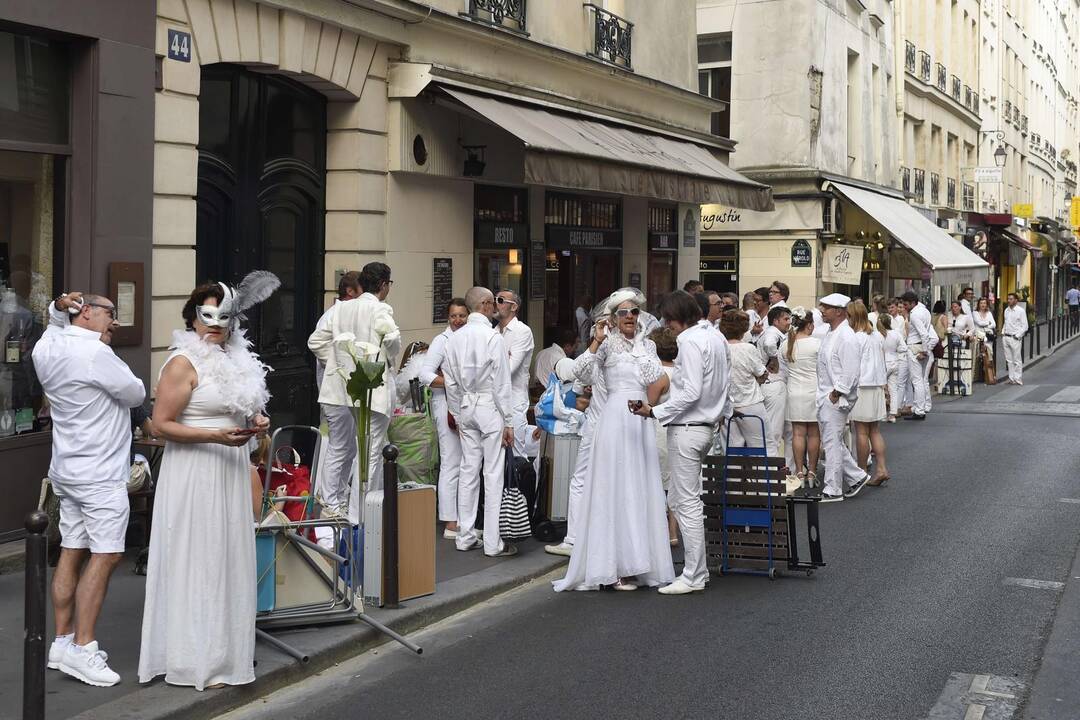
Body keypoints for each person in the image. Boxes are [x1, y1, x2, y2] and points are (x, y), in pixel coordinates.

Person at [140, 278, 274, 690]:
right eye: (208, 315)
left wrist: (255, 421)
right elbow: (160, 426)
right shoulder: (182, 363)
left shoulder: (238, 360)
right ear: (193, 316)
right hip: (195, 472)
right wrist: (214, 436)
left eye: (225, 317)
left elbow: (240, 407)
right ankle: (193, 659)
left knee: (227, 557)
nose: (215, 325)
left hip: (230, 468)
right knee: (199, 559)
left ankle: (224, 653)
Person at [32, 291, 145, 687]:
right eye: (109, 313)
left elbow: (52, 326)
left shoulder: (47, 350)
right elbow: (136, 394)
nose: (114, 321)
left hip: (67, 469)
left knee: (71, 549)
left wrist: (55, 310)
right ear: (86, 314)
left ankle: (61, 642)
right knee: (107, 554)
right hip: (100, 474)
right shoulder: (97, 355)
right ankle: (83, 646)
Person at [554, 291, 673, 592]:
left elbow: (656, 377)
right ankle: (615, 565)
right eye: (624, 313)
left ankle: (639, 562)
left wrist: (640, 349)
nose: (630, 316)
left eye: (634, 311)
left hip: (639, 419)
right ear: (614, 318)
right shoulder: (605, 345)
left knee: (639, 488)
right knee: (614, 489)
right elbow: (579, 373)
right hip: (613, 421)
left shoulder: (646, 345)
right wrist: (596, 340)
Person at [633, 290, 729, 595]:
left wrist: (654, 410)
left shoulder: (689, 340)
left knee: (686, 502)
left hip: (688, 427)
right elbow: (723, 384)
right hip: (704, 427)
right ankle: (695, 570)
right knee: (681, 500)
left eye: (668, 319)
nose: (667, 326)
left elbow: (690, 392)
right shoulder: (716, 337)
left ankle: (693, 574)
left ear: (675, 317)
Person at [308, 262, 400, 508]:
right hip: (373, 387)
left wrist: (341, 365)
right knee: (369, 452)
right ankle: (360, 514)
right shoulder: (381, 310)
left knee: (345, 446)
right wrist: (353, 364)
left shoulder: (341, 309)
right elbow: (392, 343)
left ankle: (332, 505)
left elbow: (315, 341)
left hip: (344, 388)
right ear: (383, 285)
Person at [443, 287, 517, 557]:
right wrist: (508, 420)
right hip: (488, 406)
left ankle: (464, 535)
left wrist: (458, 412)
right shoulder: (492, 337)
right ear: (485, 305)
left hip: (466, 405)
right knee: (493, 474)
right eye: (492, 302)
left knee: (468, 471)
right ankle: (492, 542)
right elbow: (501, 383)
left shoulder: (454, 339)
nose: (495, 306)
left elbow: (450, 381)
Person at [420, 298, 468, 538]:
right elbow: (425, 374)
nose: (458, 320)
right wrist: (452, 383)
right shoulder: (442, 340)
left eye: (461, 315)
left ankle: (463, 517)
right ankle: (450, 520)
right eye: (453, 316)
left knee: (465, 463)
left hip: (466, 406)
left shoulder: (469, 338)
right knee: (451, 461)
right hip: (445, 405)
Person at [816, 294, 870, 502]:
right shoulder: (833, 332)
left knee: (831, 443)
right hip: (827, 395)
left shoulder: (847, 336)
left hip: (836, 397)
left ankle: (833, 488)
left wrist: (836, 392)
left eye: (826, 307)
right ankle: (857, 477)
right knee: (834, 441)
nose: (822, 310)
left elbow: (850, 371)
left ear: (838, 311)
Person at [848, 301, 889, 487]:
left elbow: (853, 367)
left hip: (862, 386)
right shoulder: (876, 336)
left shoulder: (856, 338)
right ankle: (881, 468)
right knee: (875, 430)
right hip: (877, 385)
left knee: (861, 432)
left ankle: (862, 471)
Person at [646, 327, 680, 547]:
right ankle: (673, 532)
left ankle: (657, 531)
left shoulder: (657, 374)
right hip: (676, 429)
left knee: (655, 483)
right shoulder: (681, 371)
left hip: (657, 430)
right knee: (674, 485)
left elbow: (648, 405)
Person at [720, 310, 769, 452]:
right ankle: (764, 475)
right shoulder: (748, 348)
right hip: (750, 402)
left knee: (731, 448)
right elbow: (761, 373)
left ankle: (732, 475)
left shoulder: (720, 348)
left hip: (727, 405)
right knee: (763, 446)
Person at [782, 306, 820, 486]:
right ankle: (811, 472)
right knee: (814, 434)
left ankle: (799, 473)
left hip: (794, 392)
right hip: (813, 391)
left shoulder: (786, 344)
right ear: (810, 326)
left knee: (797, 434)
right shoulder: (817, 344)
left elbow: (782, 370)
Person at [495, 290, 535, 456]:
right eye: (494, 299)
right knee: (495, 455)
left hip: (514, 401)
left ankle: (518, 483)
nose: (496, 303)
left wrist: (498, 362)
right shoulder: (493, 332)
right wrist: (503, 358)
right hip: (495, 402)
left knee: (516, 453)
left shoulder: (522, 331)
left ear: (514, 307)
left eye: (501, 300)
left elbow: (509, 369)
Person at [758, 305, 792, 464]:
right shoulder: (773, 333)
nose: (789, 322)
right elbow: (770, 345)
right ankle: (770, 474)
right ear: (775, 321)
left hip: (774, 385)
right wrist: (774, 358)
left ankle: (786, 471)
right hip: (774, 385)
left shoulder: (776, 333)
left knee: (786, 431)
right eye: (785, 319)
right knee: (774, 432)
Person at [901, 290, 936, 421]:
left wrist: (924, 351)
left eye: (905, 304)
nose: (904, 307)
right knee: (920, 380)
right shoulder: (925, 311)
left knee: (917, 381)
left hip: (915, 347)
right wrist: (926, 350)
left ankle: (919, 410)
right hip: (921, 347)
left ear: (912, 303)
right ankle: (918, 408)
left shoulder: (914, 314)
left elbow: (923, 334)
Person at [882, 314, 906, 422]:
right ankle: (892, 414)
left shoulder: (879, 335)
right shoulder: (896, 333)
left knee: (880, 388)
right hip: (895, 361)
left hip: (883, 362)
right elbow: (903, 347)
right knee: (893, 389)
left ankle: (882, 413)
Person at [1002, 292, 1029, 385]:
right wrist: (1003, 332)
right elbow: (1006, 322)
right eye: (1008, 299)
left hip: (1015, 338)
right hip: (1006, 337)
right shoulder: (1006, 310)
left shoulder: (1020, 311)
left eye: (1011, 299)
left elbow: (1025, 326)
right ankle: (1011, 378)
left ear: (1016, 301)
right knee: (1009, 359)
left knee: (1017, 359)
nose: (1008, 300)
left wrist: (1017, 336)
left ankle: (1018, 378)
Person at [973, 297, 997, 385]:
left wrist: (986, 325)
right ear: (978, 304)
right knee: (979, 355)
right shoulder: (975, 313)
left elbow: (994, 324)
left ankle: (989, 375)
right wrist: (988, 324)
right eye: (981, 303)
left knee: (989, 355)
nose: (983, 305)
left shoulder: (989, 313)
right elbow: (979, 323)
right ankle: (978, 375)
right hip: (979, 336)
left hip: (988, 336)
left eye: (984, 303)